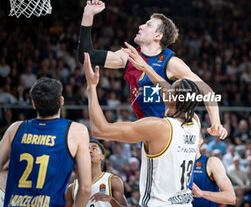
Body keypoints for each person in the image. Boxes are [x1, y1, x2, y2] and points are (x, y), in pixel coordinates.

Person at [78, 0, 226, 139]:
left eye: (148, 25)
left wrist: (216, 123)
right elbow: (86, 56)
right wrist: (88, 15)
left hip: (171, 132)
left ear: (158, 35)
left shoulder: (171, 62)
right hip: (147, 132)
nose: (140, 26)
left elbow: (206, 90)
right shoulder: (129, 56)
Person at [84, 53, 200, 206]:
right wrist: (146, 68)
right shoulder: (195, 123)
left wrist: (91, 88)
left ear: (173, 98)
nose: (166, 87)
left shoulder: (159, 127)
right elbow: (169, 91)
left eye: (171, 87)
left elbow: (100, 130)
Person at [0, 77, 91, 207]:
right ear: (61, 101)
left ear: (33, 104)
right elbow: (86, 188)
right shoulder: (76, 131)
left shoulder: (15, 129)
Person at [66, 140, 128, 207]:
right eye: (86, 150)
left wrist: (111, 200)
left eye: (94, 148)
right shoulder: (72, 187)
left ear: (102, 157)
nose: (90, 151)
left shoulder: (113, 181)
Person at [191, 131, 236, 207]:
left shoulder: (211, 162)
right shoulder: (175, 164)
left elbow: (230, 197)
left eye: (190, 136)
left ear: (200, 141)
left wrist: (202, 193)